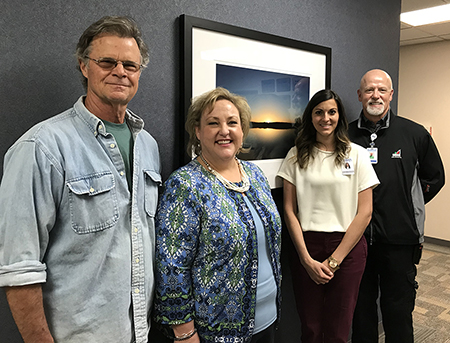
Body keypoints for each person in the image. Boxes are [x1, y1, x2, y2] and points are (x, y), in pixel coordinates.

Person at [0, 16, 161, 343]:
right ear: (84, 66)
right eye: (107, 61)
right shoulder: (42, 147)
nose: (120, 71)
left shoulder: (148, 145)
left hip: (141, 334)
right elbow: (19, 268)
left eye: (130, 65)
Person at [153, 87, 282, 343]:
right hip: (216, 330)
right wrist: (184, 332)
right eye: (213, 123)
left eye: (232, 122)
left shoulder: (254, 175)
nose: (225, 130)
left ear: (242, 130)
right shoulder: (185, 184)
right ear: (198, 132)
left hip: (268, 318)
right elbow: (171, 266)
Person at [349, 69, 445, 343]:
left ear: (391, 94)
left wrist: (404, 202)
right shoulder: (345, 135)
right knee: (361, 312)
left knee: (398, 312)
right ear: (359, 95)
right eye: (369, 90)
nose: (375, 96)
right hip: (356, 241)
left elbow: (434, 178)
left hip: (400, 241)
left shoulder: (414, 134)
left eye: (381, 90)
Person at [277, 89, 379, 343]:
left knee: (339, 329)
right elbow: (289, 209)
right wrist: (305, 259)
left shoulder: (356, 154)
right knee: (310, 327)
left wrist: (335, 260)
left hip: (347, 247)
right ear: (310, 117)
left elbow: (365, 212)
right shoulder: (296, 154)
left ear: (339, 116)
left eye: (331, 112)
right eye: (319, 112)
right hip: (306, 245)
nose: (326, 118)